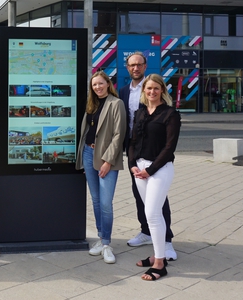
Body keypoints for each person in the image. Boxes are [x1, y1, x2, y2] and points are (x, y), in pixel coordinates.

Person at [119, 52, 177, 261]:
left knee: (159, 200)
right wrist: (131, 159)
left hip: (155, 150)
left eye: (139, 65)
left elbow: (170, 143)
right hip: (135, 150)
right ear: (127, 67)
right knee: (139, 195)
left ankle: (167, 241)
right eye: (132, 65)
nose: (135, 68)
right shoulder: (123, 91)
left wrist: (151, 167)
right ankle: (145, 232)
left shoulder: (154, 89)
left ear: (145, 66)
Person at [129, 74, 181, 281]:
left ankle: (160, 265)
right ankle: (158, 255)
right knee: (153, 214)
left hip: (160, 168)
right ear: (144, 91)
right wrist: (132, 165)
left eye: (156, 89)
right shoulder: (140, 112)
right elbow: (132, 142)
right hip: (139, 168)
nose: (152, 92)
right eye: (148, 88)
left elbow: (169, 148)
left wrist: (150, 170)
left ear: (162, 91)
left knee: (151, 213)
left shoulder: (170, 114)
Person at [75, 71, 126, 264]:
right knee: (96, 200)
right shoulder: (92, 104)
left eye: (100, 84)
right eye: (94, 85)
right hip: (88, 154)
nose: (97, 87)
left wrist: (108, 161)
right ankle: (100, 237)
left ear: (108, 83)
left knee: (106, 203)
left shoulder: (116, 103)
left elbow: (118, 135)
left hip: (105, 158)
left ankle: (107, 243)